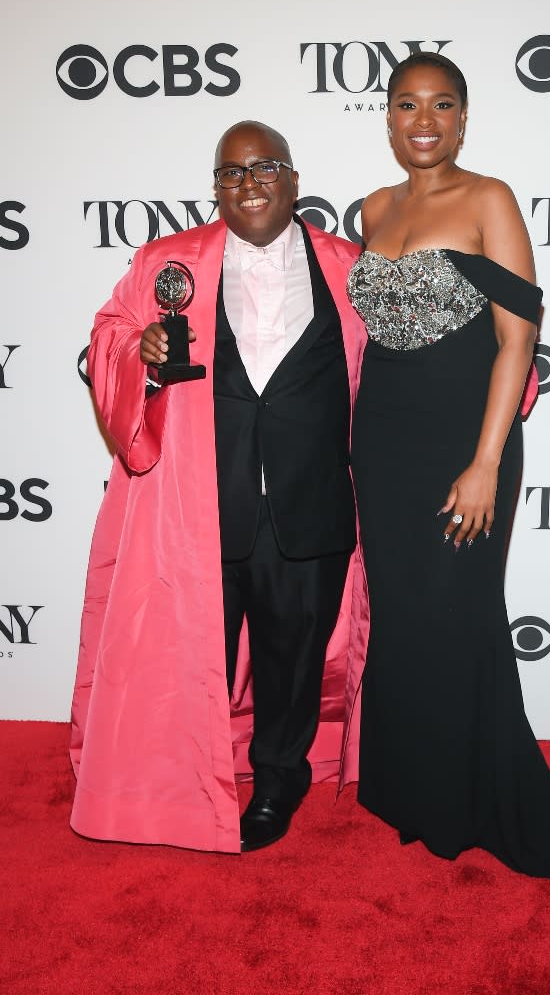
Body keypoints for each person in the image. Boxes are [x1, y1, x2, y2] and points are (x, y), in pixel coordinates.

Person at [346, 53, 550, 885]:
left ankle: (477, 799)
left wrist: (485, 462)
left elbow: (518, 340)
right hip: (380, 442)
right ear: (385, 117)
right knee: (406, 618)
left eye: (442, 105)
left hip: (464, 441)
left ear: (463, 117)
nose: (424, 119)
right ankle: (413, 789)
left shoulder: (489, 198)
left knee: (461, 612)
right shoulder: (371, 208)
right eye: (407, 104)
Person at [70, 121, 369, 854]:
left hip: (313, 502)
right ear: (214, 188)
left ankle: (277, 778)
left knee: (294, 657)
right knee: (185, 651)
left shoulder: (350, 266)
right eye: (230, 173)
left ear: (295, 180)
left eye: (264, 167)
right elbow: (110, 335)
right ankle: (177, 776)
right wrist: (136, 349)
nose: (249, 184)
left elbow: (406, 366)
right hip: (201, 507)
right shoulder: (168, 263)